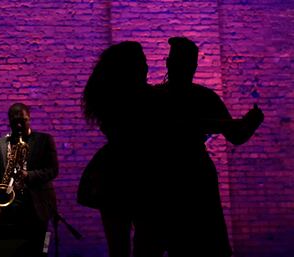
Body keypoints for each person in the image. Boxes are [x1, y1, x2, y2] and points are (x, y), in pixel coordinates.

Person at [149, 37, 264, 257]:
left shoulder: (155, 97)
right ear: (194, 65)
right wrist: (251, 122)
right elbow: (236, 136)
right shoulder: (203, 97)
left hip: (167, 177)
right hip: (194, 175)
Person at [79, 41, 156, 257]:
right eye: (143, 63)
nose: (147, 67)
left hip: (111, 171)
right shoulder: (148, 97)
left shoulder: (106, 96)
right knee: (146, 242)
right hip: (143, 170)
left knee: (118, 245)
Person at [0, 102, 59, 257]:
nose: (20, 124)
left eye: (24, 120)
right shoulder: (1, 144)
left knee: (38, 250)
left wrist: (29, 175)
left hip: (37, 206)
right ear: (9, 121)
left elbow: (53, 170)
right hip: (10, 206)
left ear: (29, 118)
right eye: (15, 121)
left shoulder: (44, 140)